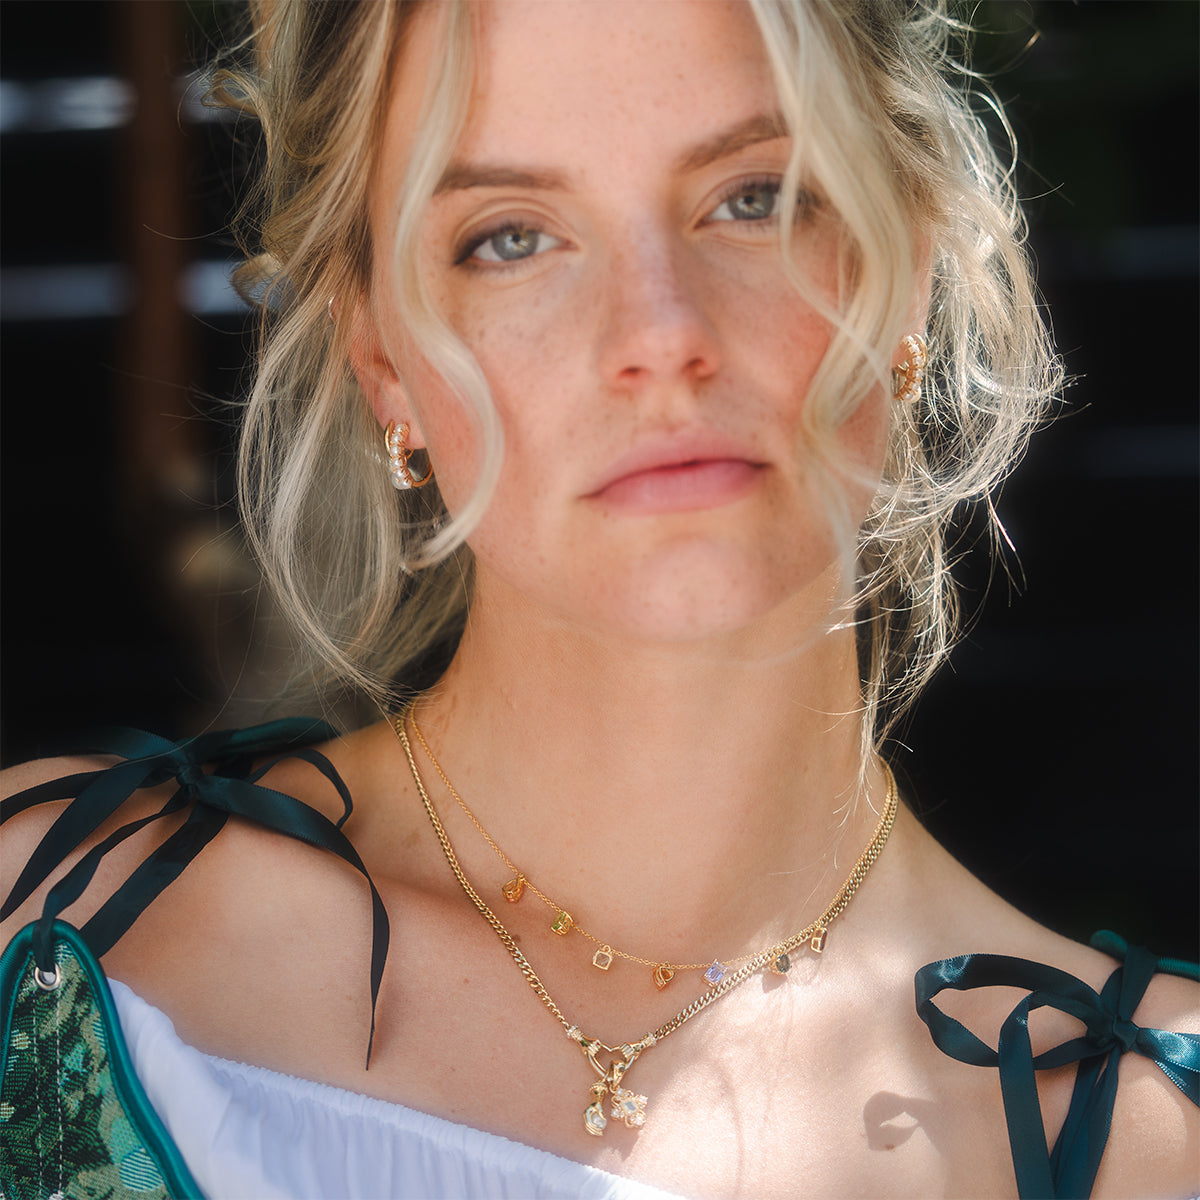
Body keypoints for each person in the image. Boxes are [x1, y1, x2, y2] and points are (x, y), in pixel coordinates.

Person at [1, 2, 1196, 1198]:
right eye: (511, 237)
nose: (660, 334)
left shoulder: (1156, 1144)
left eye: (753, 198)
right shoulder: (54, 924)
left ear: (909, 260)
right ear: (382, 360)